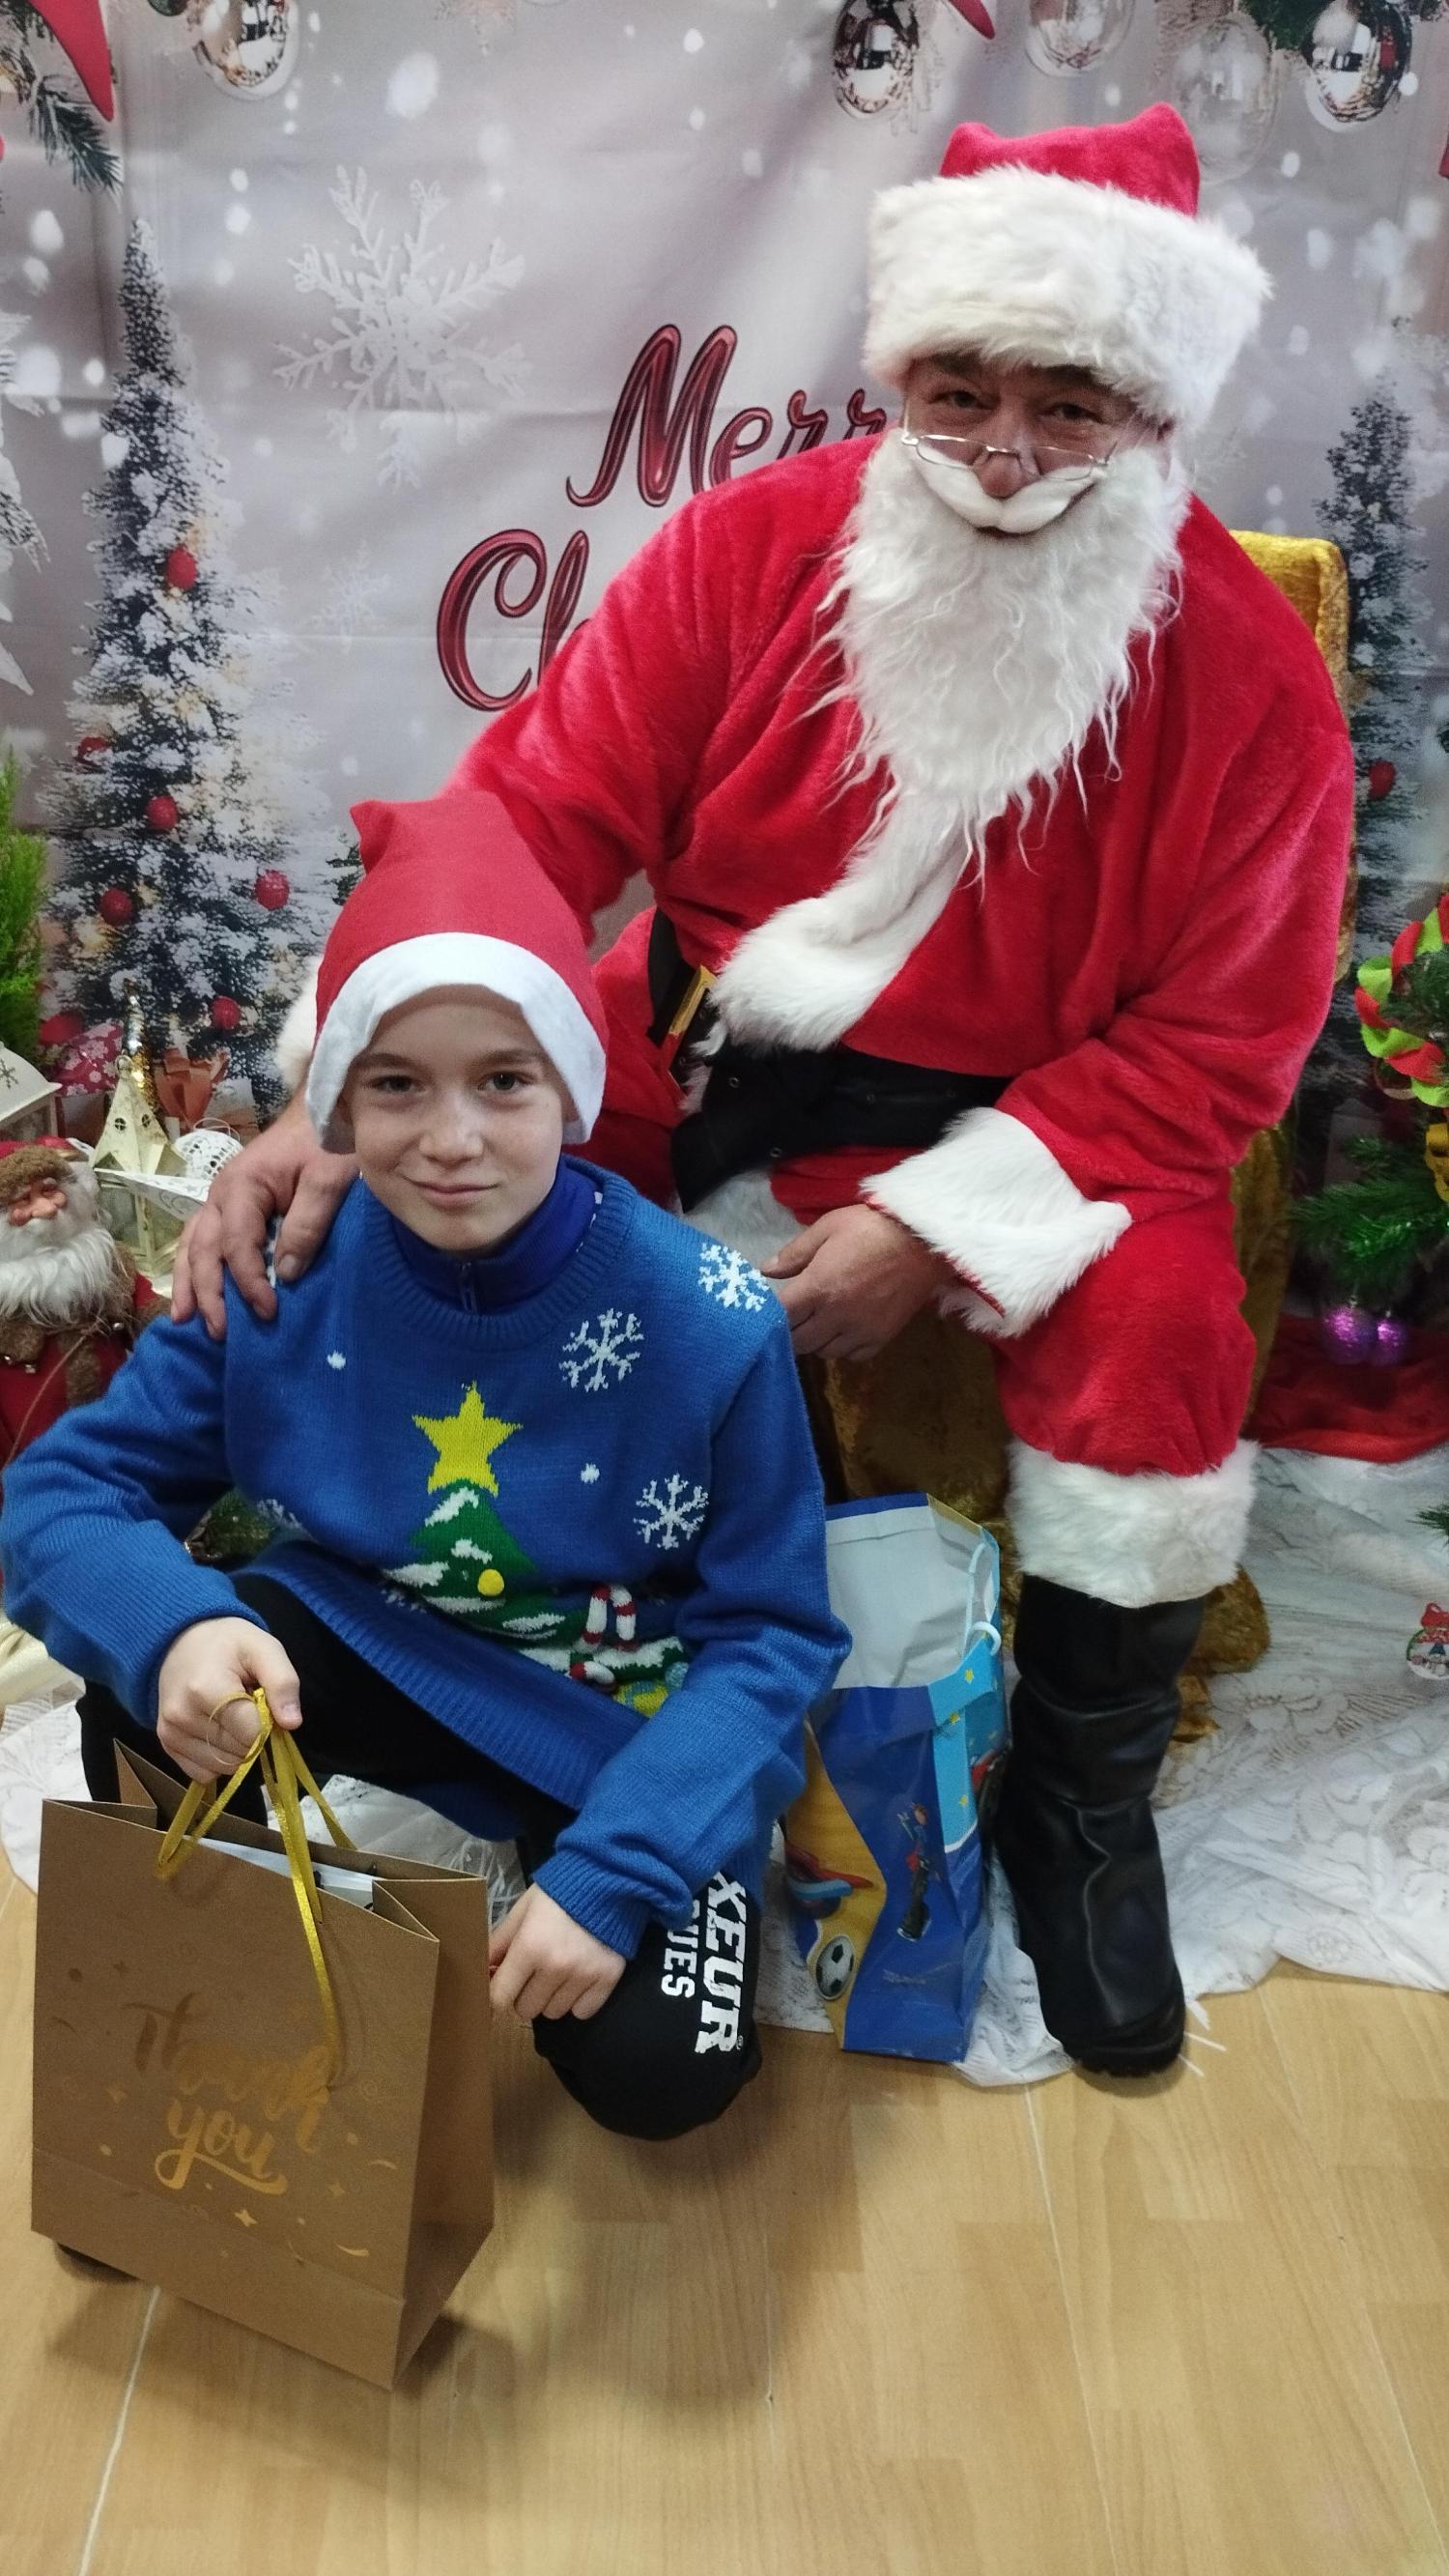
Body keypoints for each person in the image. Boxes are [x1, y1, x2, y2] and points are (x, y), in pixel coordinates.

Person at [174, 107, 1354, 2077]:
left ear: (1153, 411)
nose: (999, 451)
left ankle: (1079, 1805)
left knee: (1160, 1332)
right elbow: (533, 816)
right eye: (958, 391)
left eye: (1065, 404)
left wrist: (934, 1226)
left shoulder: (1244, 676)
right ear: (900, 374)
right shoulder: (747, 550)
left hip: (1053, 1115)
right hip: (707, 1036)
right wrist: (342, 1083)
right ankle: (470, 1630)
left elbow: (1225, 1043)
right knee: (425, 1164)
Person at [0, 791, 847, 2141]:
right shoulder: (279, 1270)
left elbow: (775, 1635)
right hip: (369, 1646)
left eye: (503, 1079)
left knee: (662, 2074)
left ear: (571, 1086)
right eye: (396, 1083)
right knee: (147, 1686)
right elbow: (54, 1495)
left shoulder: (712, 1322)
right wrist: (176, 1631)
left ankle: (578, 1856)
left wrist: (617, 1870)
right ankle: (246, 1950)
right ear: (335, 1097)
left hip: (615, 1713)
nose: (452, 1137)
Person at [0, 1136, 164, 1703]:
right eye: (22, 1203)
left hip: (132, 1449)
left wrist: (179, 1325)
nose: (44, 1211)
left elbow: (151, 1311)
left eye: (50, 1191)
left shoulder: (105, 1264)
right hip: (37, 1473)